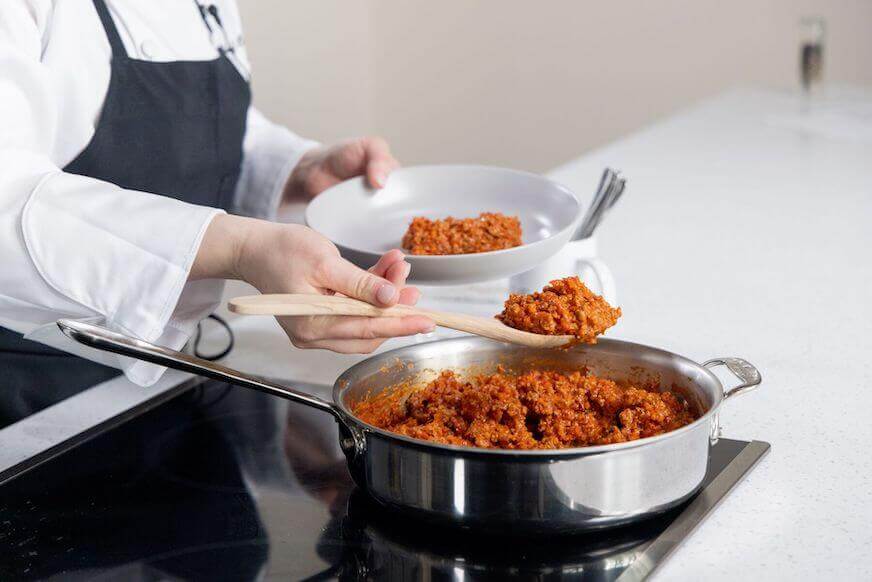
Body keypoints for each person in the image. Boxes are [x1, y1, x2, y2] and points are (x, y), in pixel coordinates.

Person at [0, 0, 434, 424]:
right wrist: (238, 247)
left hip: (170, 377)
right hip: (30, 400)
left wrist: (298, 171)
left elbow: (196, 135)